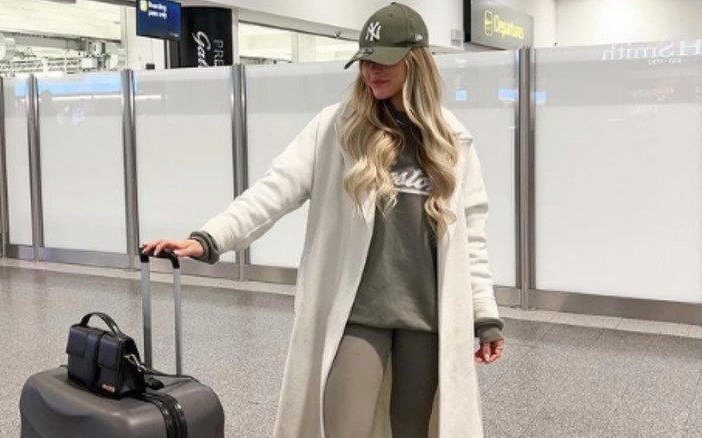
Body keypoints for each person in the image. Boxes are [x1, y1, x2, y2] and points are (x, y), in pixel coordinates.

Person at [142, 3, 504, 437]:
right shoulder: (337, 129)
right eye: (366, 60)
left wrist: (485, 316)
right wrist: (209, 238)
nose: (372, 71)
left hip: (428, 320)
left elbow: (473, 239)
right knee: (341, 427)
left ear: (416, 61)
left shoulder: (452, 142)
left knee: (415, 430)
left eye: (384, 60)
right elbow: (272, 191)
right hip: (356, 312)